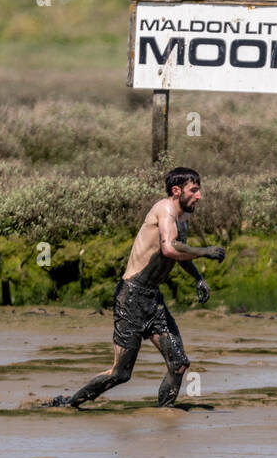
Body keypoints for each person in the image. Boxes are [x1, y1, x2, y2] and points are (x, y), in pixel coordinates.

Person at [48, 167, 224, 409]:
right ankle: (70, 403)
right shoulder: (165, 210)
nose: (199, 196)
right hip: (130, 297)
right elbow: (169, 249)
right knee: (121, 373)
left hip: (153, 301)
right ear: (176, 190)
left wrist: (198, 278)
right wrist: (205, 251)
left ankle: (165, 412)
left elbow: (178, 252)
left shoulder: (183, 217)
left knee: (179, 363)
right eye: (194, 190)